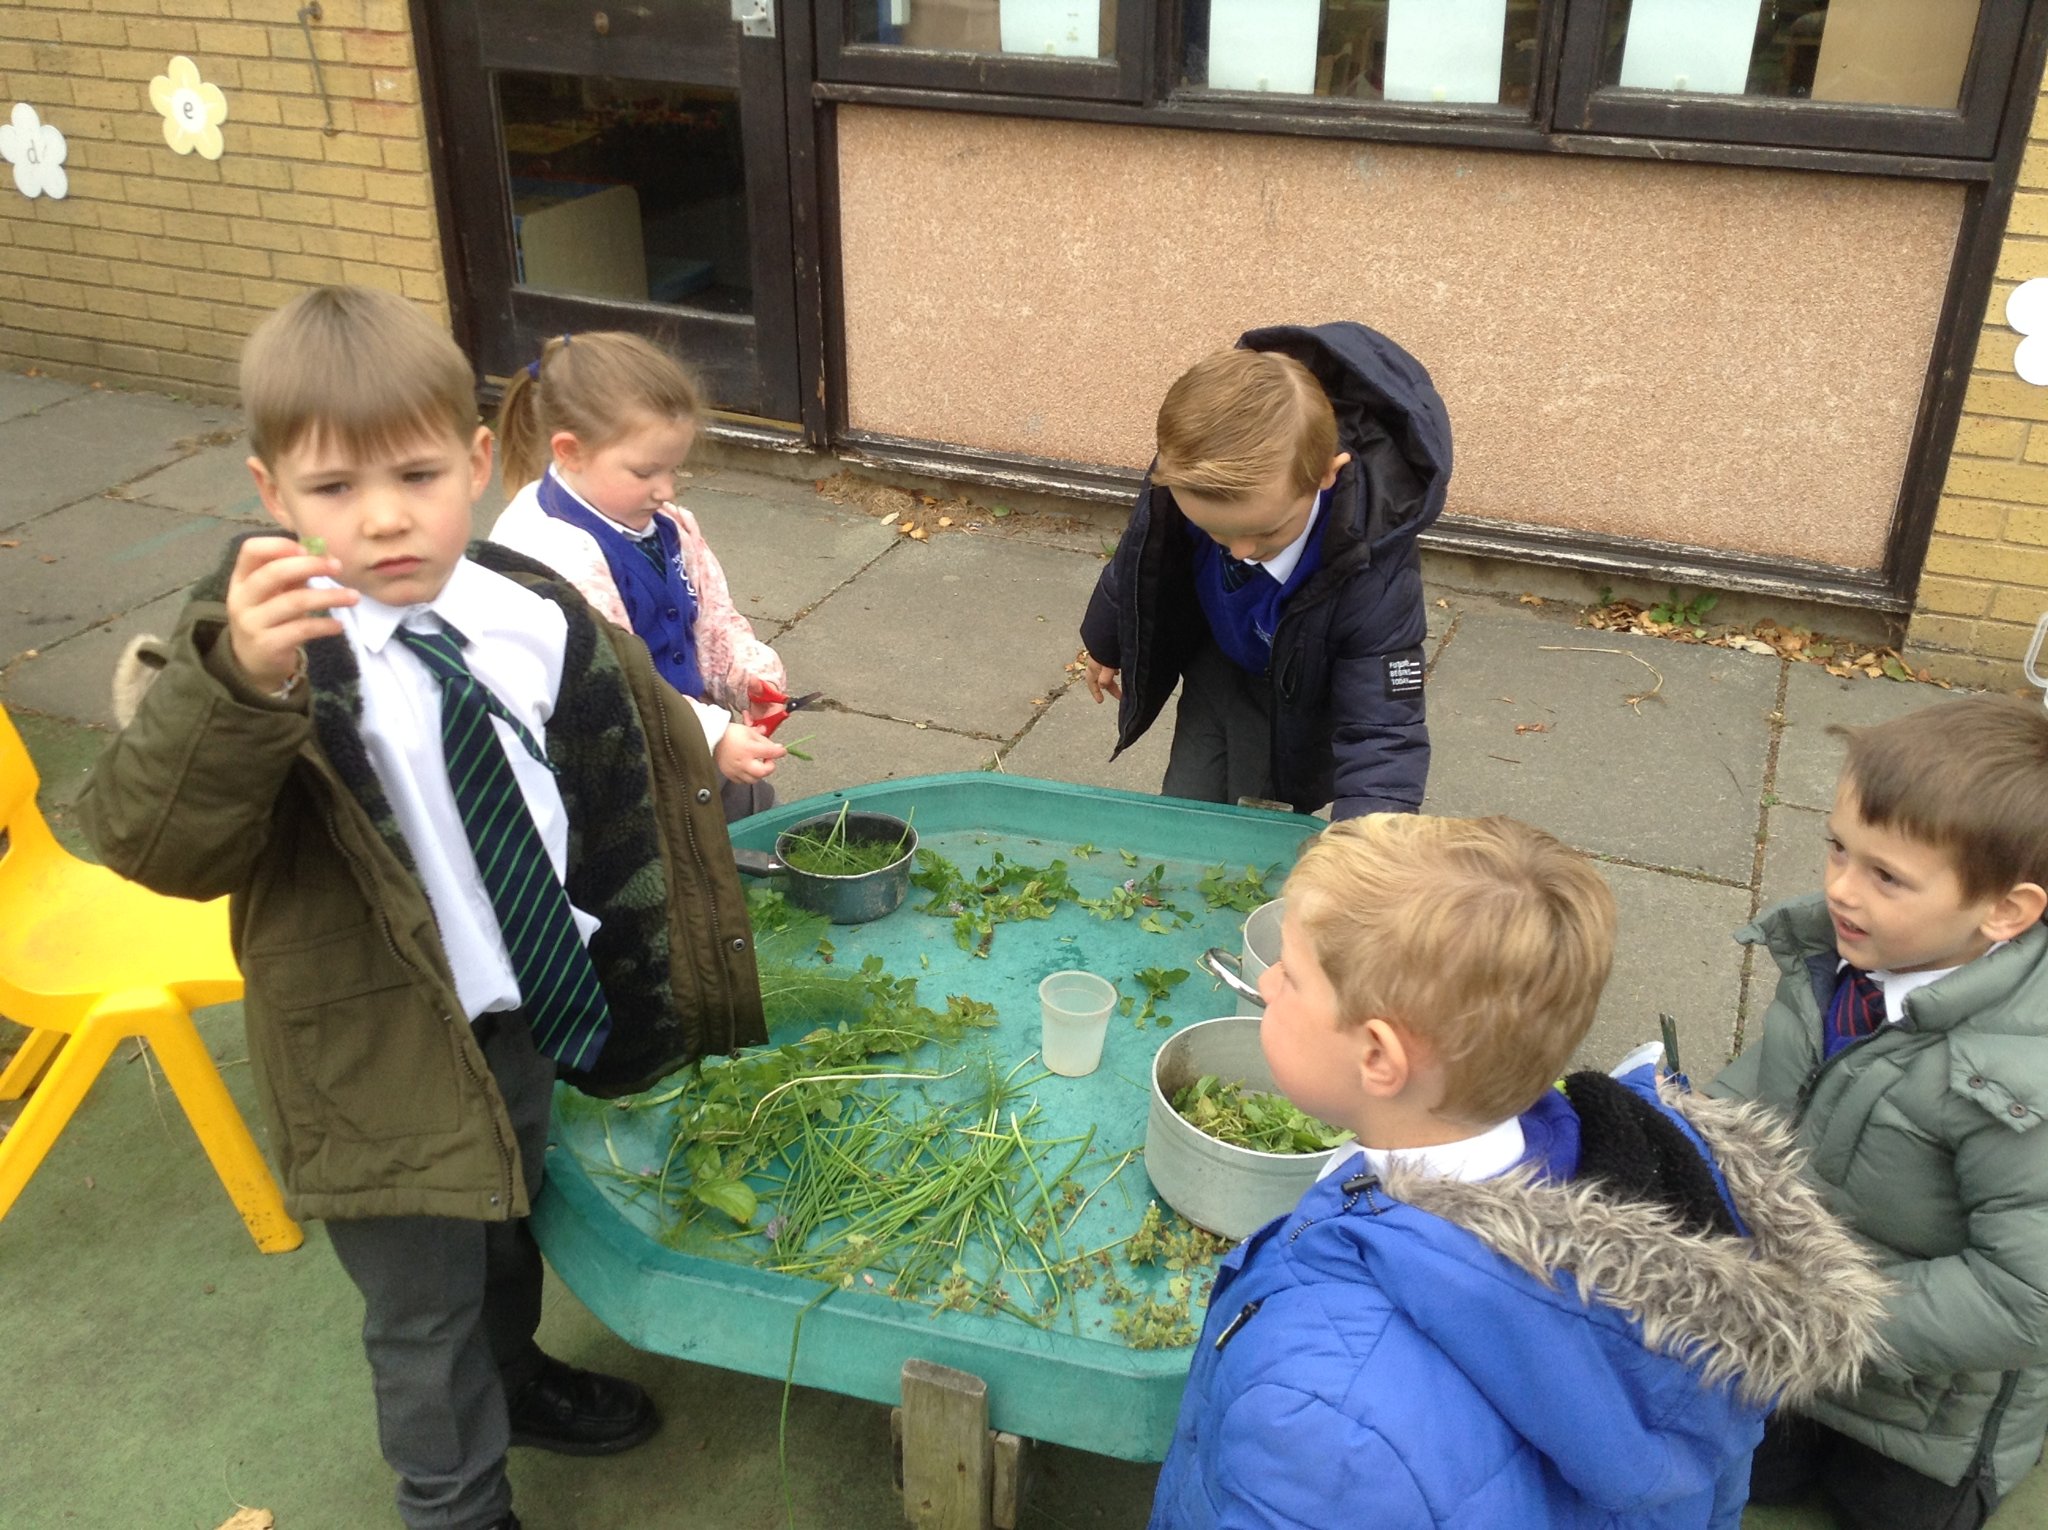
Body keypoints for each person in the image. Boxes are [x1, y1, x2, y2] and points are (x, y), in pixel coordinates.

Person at [76, 286, 767, 1530]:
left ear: (476, 462)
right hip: (374, 1046)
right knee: (422, 1307)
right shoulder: (257, 654)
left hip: (519, 1007)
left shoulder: (527, 609)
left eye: (414, 473)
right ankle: (454, 1505)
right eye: (334, 488)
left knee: (507, 1230)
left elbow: (612, 778)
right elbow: (154, 840)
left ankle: (519, 1380)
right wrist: (237, 685)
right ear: (271, 493)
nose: (385, 517)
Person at [1150, 813, 1890, 1529]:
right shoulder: (1667, 1186)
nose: (1271, 983)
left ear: (1378, 1057)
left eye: (1294, 976)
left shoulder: (1323, 1414)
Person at [1710, 698, 2048, 1530]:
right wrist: (1676, 1131)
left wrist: (1820, 1314)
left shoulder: (2020, 1075)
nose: (1838, 888)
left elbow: (2024, 1295)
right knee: (1748, 1481)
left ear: (2005, 911)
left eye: (1885, 875)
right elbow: (1760, 1093)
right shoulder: (1836, 962)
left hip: (1929, 1412)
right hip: (1792, 1341)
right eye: (1837, 848)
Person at [1078, 323, 1451, 818]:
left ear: (1325, 475)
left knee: (1258, 814)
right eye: (1215, 533)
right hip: (1218, 659)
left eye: (1268, 532)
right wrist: (1107, 641)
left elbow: (1384, 730)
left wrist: (1369, 843)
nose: (1241, 551)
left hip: (1295, 694)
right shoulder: (1194, 484)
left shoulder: (1372, 573)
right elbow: (1144, 560)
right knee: (1188, 800)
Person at [488, 330, 786, 820]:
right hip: (612, 777)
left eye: (673, 470)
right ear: (570, 451)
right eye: (645, 473)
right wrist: (711, 736)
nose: (664, 489)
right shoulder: (554, 553)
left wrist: (745, 675)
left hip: (680, 741)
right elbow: (617, 682)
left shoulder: (664, 525)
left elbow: (710, 618)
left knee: (738, 829)